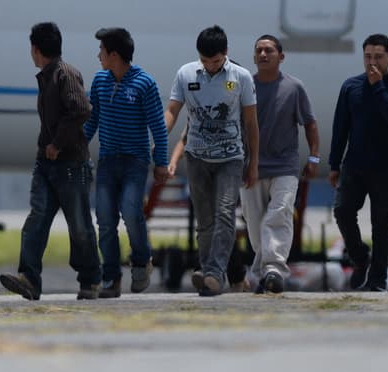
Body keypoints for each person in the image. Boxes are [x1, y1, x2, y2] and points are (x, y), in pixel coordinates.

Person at [0, 23, 100, 301]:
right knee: (37, 221)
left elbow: (82, 110)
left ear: (35, 49)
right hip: (45, 164)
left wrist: (57, 143)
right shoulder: (47, 76)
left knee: (79, 226)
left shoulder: (64, 74)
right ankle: (29, 278)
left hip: (71, 165)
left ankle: (91, 280)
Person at [164, 25, 258, 297]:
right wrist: (159, 138)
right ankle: (207, 272)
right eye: (205, 61)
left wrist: (253, 163)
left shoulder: (240, 77)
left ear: (226, 54)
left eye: (215, 61)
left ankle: (215, 272)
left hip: (230, 158)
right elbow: (173, 111)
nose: (210, 66)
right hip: (197, 157)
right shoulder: (186, 74)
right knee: (204, 220)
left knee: (224, 214)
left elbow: (251, 123)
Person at [83, 27, 169, 297]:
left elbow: (158, 126)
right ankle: (111, 277)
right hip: (108, 160)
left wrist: (161, 163)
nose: (98, 56)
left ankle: (142, 261)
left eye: (102, 51)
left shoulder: (144, 83)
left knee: (131, 211)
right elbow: (92, 120)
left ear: (115, 54)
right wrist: (77, 146)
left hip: (135, 161)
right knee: (105, 219)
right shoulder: (100, 81)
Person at [328, 34, 388, 292]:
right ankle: (360, 257)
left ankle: (377, 280)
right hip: (354, 164)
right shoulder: (351, 86)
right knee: (342, 211)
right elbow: (340, 127)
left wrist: (377, 86)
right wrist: (334, 164)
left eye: (378, 57)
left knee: (381, 222)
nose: (372, 62)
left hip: (385, 166)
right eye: (368, 57)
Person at [246, 34, 320, 294]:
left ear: (281, 56)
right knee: (255, 224)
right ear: (254, 57)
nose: (263, 55)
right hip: (251, 167)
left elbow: (310, 123)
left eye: (269, 50)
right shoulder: (246, 86)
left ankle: (274, 269)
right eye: (259, 51)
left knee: (279, 215)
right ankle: (263, 273)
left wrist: (313, 157)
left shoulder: (294, 87)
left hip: (285, 166)